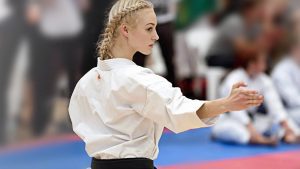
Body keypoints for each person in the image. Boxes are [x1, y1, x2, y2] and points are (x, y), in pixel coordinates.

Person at [68, 1, 263, 168]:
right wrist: (226, 103)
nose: (156, 36)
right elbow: (178, 111)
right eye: (149, 28)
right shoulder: (139, 79)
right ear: (125, 30)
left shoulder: (86, 82)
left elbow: (79, 124)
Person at [212, 52, 300, 146]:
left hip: (254, 120)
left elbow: (275, 105)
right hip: (231, 119)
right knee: (234, 130)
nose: (265, 65)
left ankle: (289, 134)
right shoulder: (234, 79)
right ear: (252, 63)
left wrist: (286, 125)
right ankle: (255, 139)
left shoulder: (264, 80)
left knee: (274, 122)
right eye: (262, 62)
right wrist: (251, 129)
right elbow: (236, 110)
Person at [272, 37, 300, 126]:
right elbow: (292, 100)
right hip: (287, 112)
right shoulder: (281, 70)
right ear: (295, 49)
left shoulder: (297, 66)